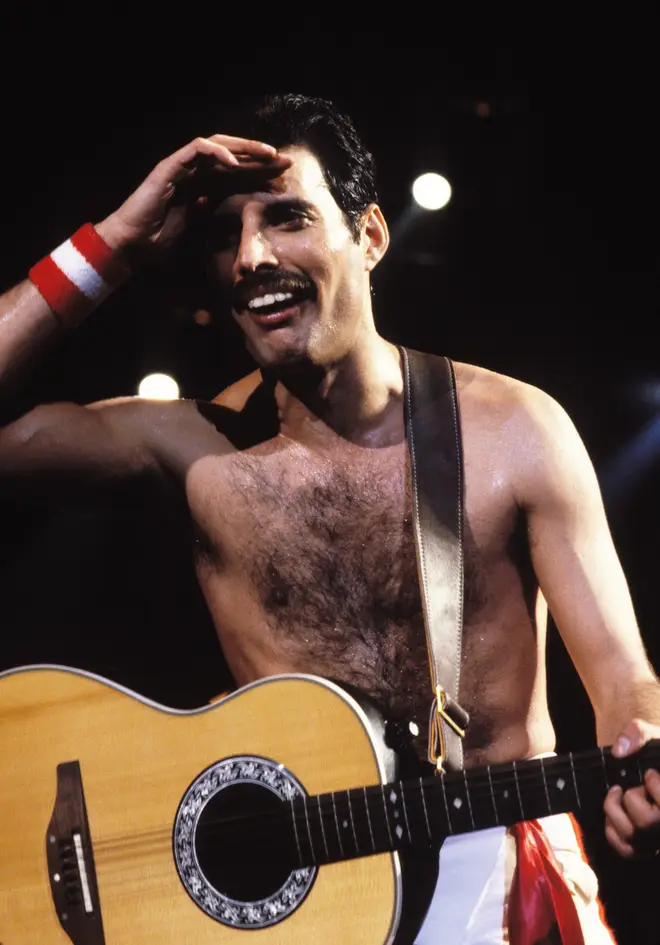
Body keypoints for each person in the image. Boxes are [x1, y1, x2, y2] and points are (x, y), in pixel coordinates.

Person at [0, 93, 659, 943]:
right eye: (222, 235)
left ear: (372, 235)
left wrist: (643, 751)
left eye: (288, 218)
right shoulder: (189, 446)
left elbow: (624, 681)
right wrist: (113, 247)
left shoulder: (515, 429)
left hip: (498, 877)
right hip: (295, 915)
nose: (251, 257)